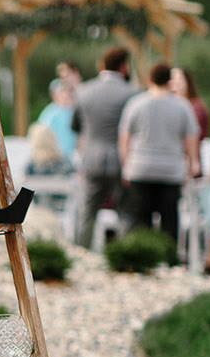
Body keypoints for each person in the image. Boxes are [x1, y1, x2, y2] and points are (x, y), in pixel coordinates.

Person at [119, 60, 199, 242]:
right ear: (169, 80)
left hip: (140, 168)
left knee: (140, 219)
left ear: (149, 78)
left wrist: (126, 165)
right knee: (169, 219)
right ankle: (169, 259)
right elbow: (191, 139)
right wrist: (191, 163)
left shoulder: (135, 104)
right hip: (170, 169)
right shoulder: (182, 106)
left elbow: (124, 138)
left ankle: (143, 257)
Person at [71, 46, 137, 247]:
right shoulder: (132, 93)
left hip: (91, 160)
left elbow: (76, 127)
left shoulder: (84, 92)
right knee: (126, 212)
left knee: (87, 213)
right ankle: (125, 254)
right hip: (121, 161)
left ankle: (82, 253)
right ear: (124, 67)